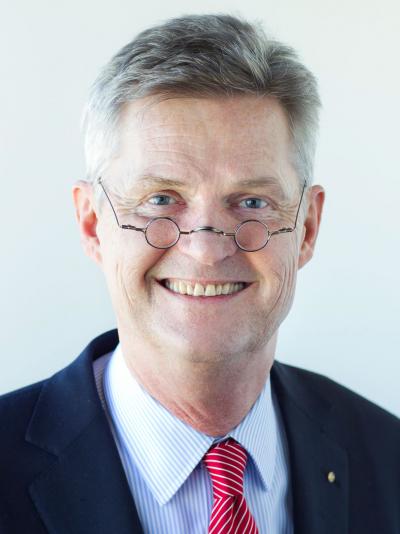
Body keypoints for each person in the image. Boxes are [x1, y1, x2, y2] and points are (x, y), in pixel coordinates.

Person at [0, 13, 398, 534]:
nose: (206, 250)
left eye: (252, 202)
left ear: (307, 227)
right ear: (93, 223)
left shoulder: (388, 459)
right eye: (161, 198)